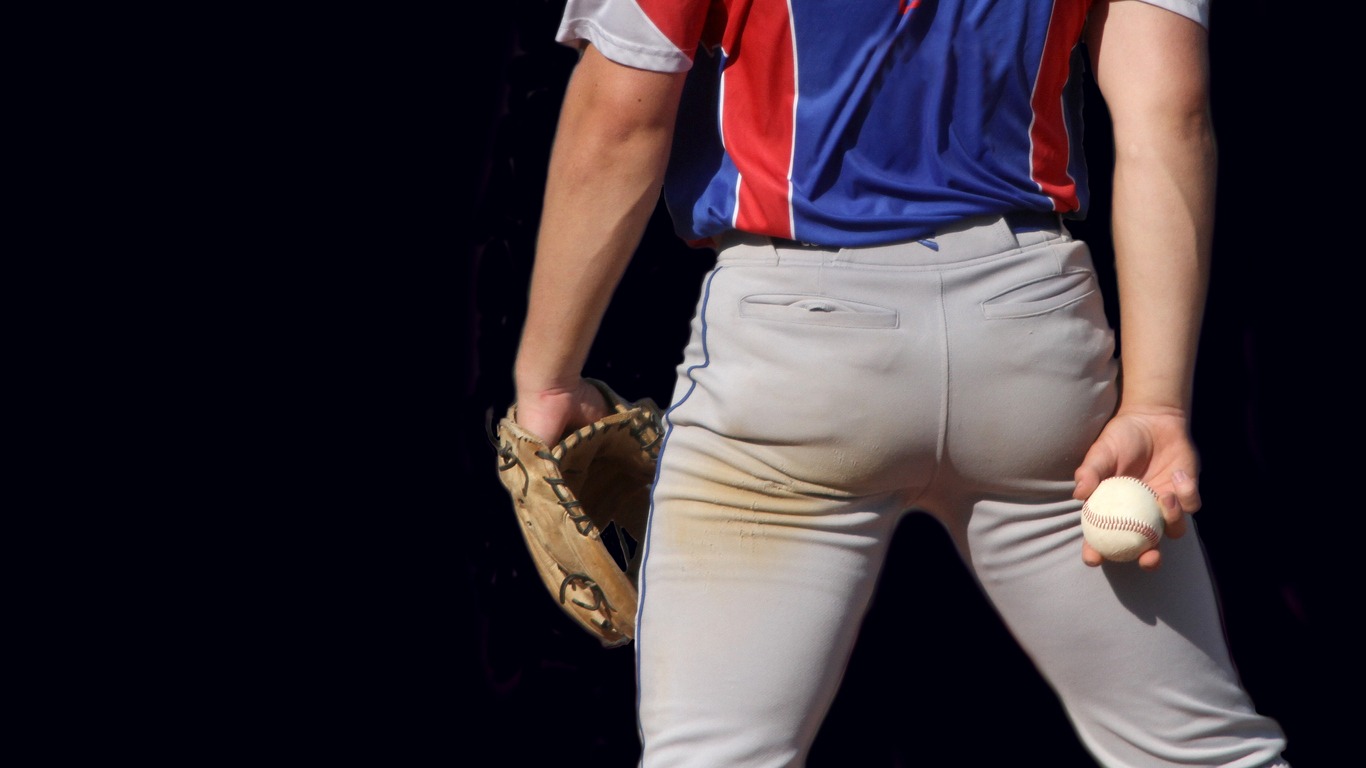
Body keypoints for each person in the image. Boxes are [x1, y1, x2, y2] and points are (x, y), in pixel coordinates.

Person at [510, 0, 1292, 765]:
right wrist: (1156, 403)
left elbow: (621, 117)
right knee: (1201, 753)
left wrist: (546, 381)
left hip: (795, 348)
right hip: (1031, 335)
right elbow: (1169, 115)